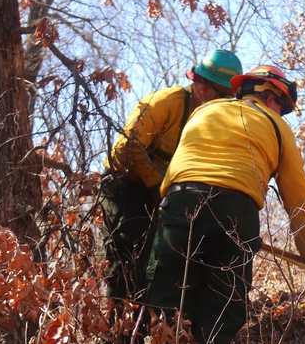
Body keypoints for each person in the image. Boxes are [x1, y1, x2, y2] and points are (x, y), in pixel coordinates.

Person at [139, 65, 305, 344]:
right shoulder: (275, 126)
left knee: (168, 313)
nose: (281, 113)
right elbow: (300, 199)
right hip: (236, 213)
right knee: (217, 316)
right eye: (282, 106)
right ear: (272, 98)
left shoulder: (203, 112)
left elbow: (177, 171)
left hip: (179, 207)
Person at [100, 49, 243, 301]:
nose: (227, 104)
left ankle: (147, 331)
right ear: (202, 87)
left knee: (158, 266)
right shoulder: (165, 102)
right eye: (223, 96)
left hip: (163, 195)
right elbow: (128, 147)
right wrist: (159, 186)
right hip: (124, 185)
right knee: (128, 258)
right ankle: (118, 336)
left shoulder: (215, 121)